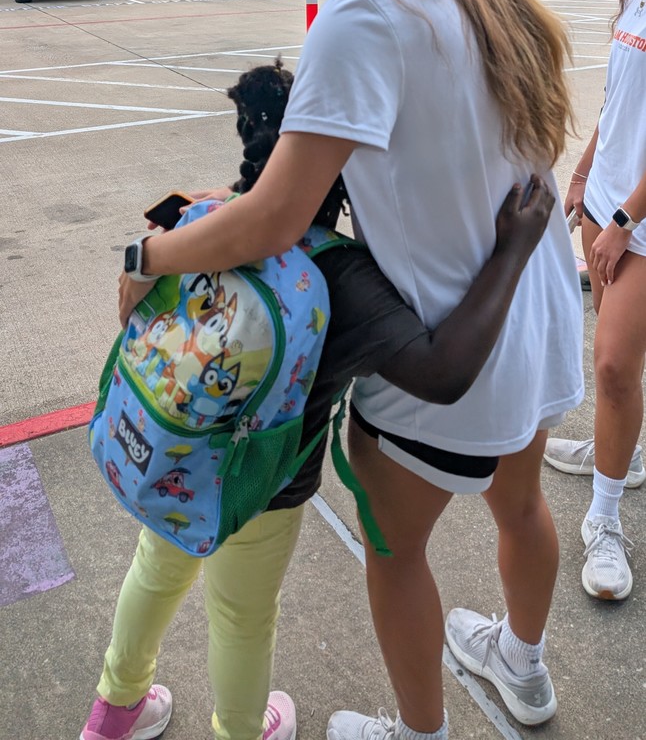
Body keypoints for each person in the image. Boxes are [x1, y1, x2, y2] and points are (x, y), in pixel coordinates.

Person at [117, 0, 583, 737]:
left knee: (392, 544)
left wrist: (150, 252)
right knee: (522, 504)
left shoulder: (362, 16)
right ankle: (523, 672)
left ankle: (421, 730)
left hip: (455, 342)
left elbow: (276, 219)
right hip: (536, 319)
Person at [82, 59, 554, 740]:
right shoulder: (340, 274)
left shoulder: (199, 220)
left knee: (154, 570)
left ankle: (112, 712)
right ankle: (242, 729)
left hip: (168, 454)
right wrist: (511, 254)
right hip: (261, 486)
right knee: (242, 616)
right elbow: (445, 372)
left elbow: (213, 222)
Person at [543, 0, 646, 601]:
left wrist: (621, 219)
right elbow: (623, 102)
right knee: (617, 365)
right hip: (605, 196)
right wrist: (583, 172)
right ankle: (623, 452)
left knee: (612, 365)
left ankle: (605, 521)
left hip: (634, 217)